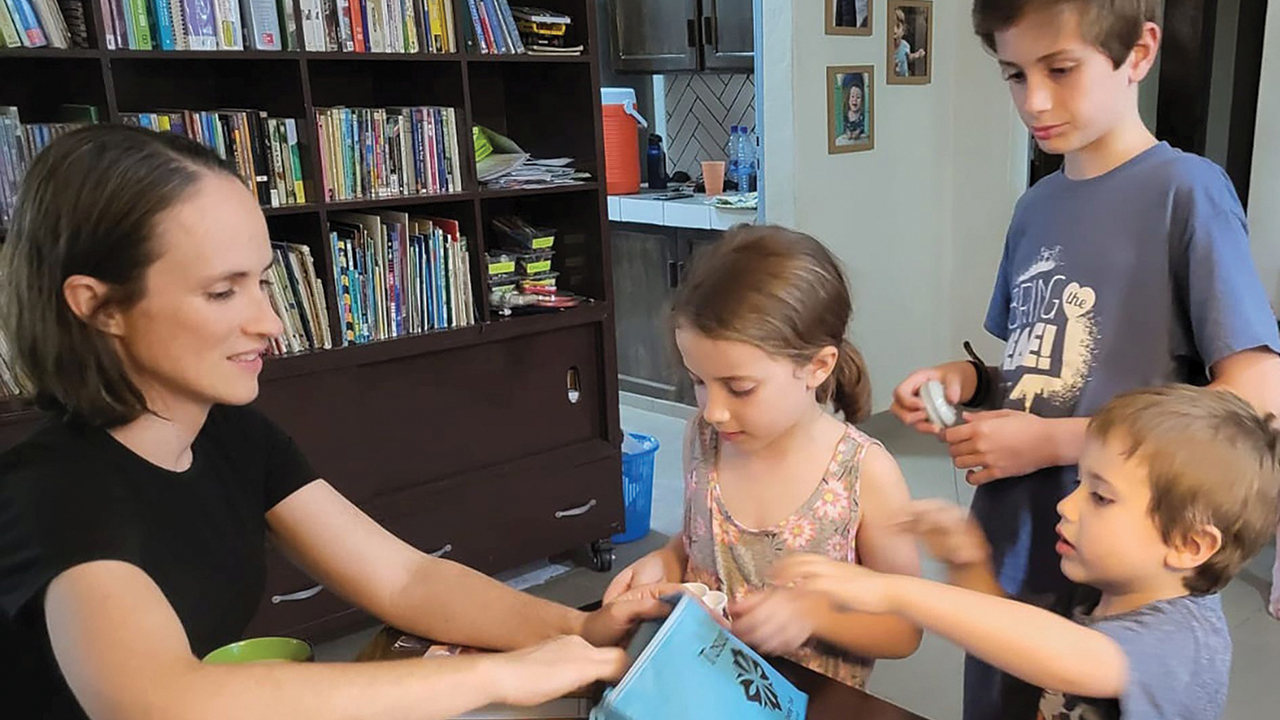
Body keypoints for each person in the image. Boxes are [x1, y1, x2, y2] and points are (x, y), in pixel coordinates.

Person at [0, 125, 673, 720]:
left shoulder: (229, 435)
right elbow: (167, 700)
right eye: (221, 291)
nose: (269, 321)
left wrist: (574, 631)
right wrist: (496, 674)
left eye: (263, 282)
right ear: (98, 306)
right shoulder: (53, 497)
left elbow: (404, 580)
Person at [889, 1, 1280, 716]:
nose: (1034, 100)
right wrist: (968, 380)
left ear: (1138, 52)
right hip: (1012, 532)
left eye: (1061, 69)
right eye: (1014, 74)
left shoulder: (1187, 193)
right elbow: (1043, 369)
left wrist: (1049, 443)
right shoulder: (1035, 206)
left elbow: (1254, 401)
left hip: (1120, 549)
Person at [779, 385, 1280, 719]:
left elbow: (1068, 658)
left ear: (1189, 544)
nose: (1068, 504)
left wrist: (895, 590)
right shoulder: (1112, 587)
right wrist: (967, 561)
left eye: (1100, 497)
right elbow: (1015, 646)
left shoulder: (1183, 642)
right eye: (1081, 483)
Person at [603, 225, 922, 688]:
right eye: (698, 381)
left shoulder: (863, 474)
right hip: (702, 689)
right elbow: (699, 543)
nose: (712, 410)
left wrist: (815, 614)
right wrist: (666, 562)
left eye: (739, 388)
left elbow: (904, 629)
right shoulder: (704, 439)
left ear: (817, 366)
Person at [893, 8, 927, 77]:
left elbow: (908, 57)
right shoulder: (885, 47)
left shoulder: (904, 45)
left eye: (898, 26)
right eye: (891, 27)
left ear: (903, 30)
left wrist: (917, 55)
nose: (894, 31)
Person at [839, 74, 867, 144]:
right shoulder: (845, 114)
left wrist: (858, 132)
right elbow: (844, 125)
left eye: (858, 97)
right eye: (852, 97)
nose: (855, 100)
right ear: (848, 99)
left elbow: (863, 126)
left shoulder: (862, 115)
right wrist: (847, 132)